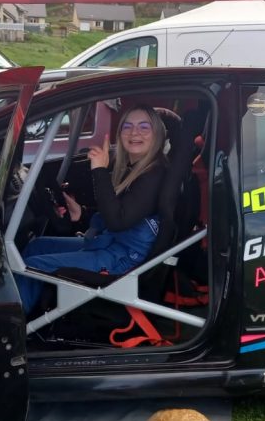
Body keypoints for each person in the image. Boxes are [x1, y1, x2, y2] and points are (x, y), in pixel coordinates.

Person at [17, 104, 169, 312]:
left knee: (31, 265)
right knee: (37, 246)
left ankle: (11, 322)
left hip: (123, 260)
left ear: (157, 134)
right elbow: (119, 212)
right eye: (127, 126)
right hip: (111, 243)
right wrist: (82, 213)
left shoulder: (154, 175)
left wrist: (99, 170)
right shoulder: (134, 169)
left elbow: (118, 221)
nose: (134, 132)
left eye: (144, 127)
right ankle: (27, 306)